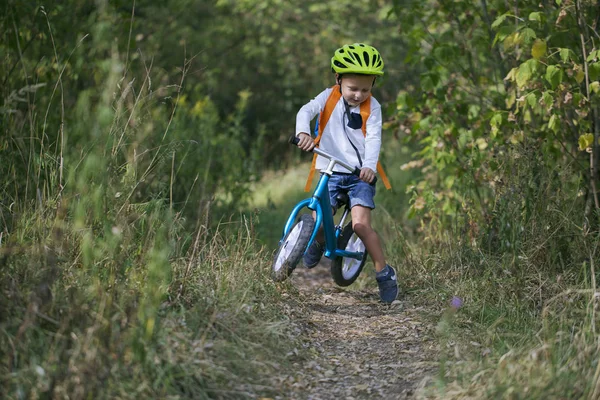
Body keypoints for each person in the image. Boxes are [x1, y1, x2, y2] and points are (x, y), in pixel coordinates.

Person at [294, 43, 398, 304]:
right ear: (338, 79)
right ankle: (316, 241)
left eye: (366, 89)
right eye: (353, 88)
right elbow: (305, 111)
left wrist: (369, 167)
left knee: (361, 225)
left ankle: (384, 273)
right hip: (331, 170)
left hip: (359, 175)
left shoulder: (372, 107)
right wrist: (303, 132)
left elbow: (373, 139)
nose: (359, 95)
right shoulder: (327, 96)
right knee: (320, 220)